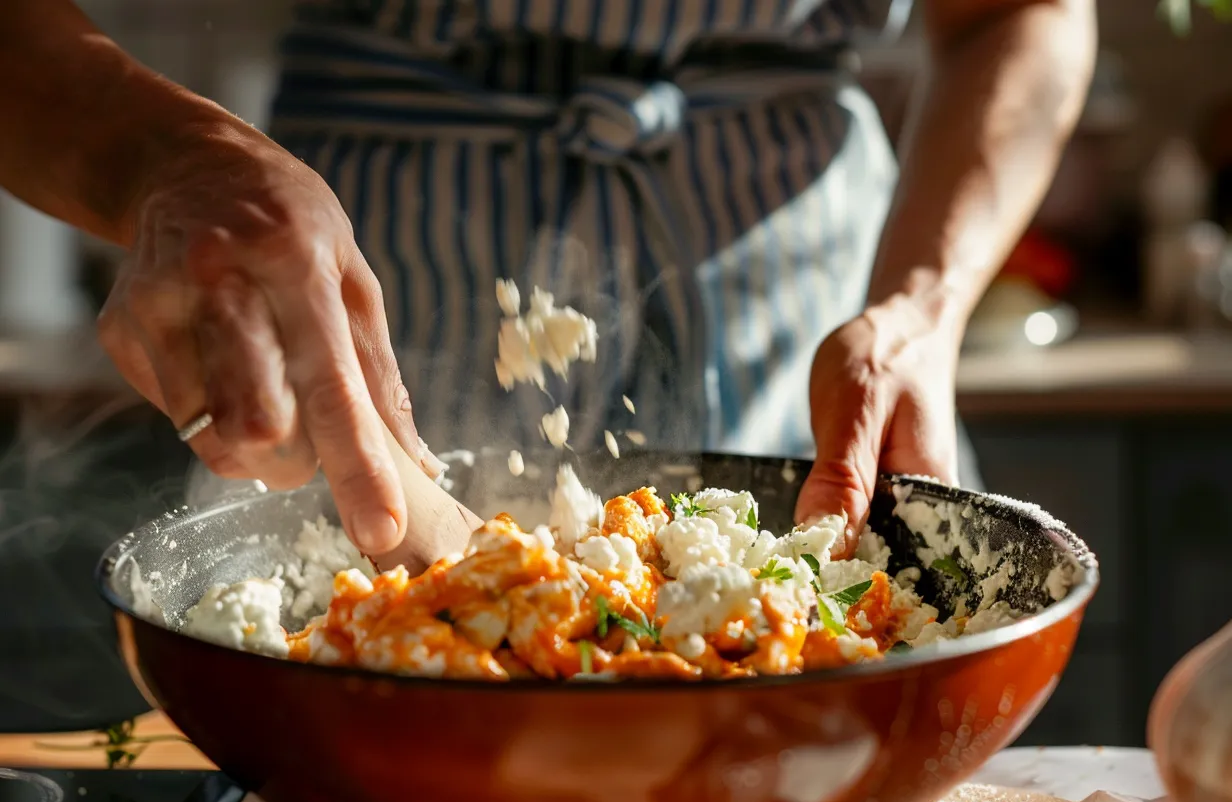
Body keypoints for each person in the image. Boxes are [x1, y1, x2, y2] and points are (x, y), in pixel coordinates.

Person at [0, 0, 1095, 558]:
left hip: (807, 295)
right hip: (346, 251)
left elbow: (1021, 10)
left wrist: (923, 306)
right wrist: (154, 158)